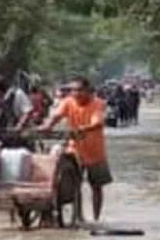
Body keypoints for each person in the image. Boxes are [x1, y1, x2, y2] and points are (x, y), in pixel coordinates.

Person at [42, 75, 113, 221]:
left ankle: (96, 218)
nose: (76, 93)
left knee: (97, 187)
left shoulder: (97, 104)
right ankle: (79, 216)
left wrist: (82, 129)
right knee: (75, 185)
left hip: (96, 152)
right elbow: (56, 116)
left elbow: (97, 123)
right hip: (75, 150)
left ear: (88, 91)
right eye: (73, 90)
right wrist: (48, 126)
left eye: (79, 90)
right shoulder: (68, 102)